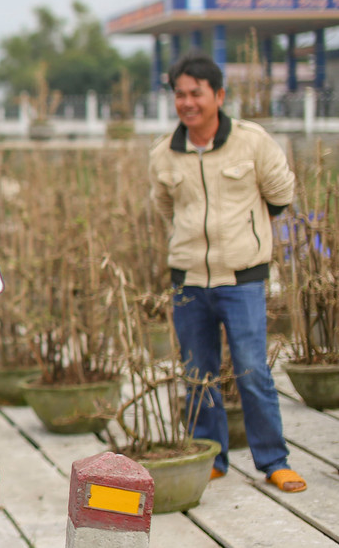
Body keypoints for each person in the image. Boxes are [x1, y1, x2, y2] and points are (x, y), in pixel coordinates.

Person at [149, 52, 306, 493]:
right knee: (197, 372)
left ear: (218, 95)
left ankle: (274, 460)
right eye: (179, 94)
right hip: (189, 282)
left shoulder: (252, 142)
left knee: (253, 371)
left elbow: (280, 194)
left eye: (196, 93)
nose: (187, 102)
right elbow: (166, 207)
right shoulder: (164, 152)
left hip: (243, 279)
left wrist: (247, 238)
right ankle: (211, 455)